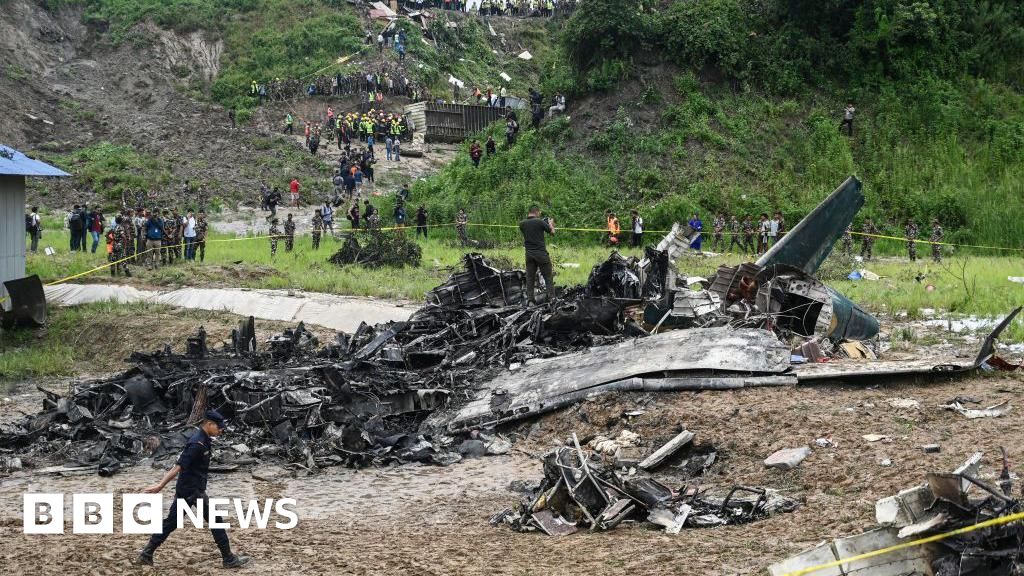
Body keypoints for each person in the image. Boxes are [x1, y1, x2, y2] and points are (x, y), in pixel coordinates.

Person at [135, 410, 251, 568]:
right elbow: (178, 466)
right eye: (219, 427)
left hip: (188, 489)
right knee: (216, 521)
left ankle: (146, 554)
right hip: (193, 491)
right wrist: (160, 485)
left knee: (171, 523)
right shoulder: (197, 443)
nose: (221, 430)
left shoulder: (204, 439)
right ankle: (228, 558)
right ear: (209, 424)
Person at [520, 205, 556, 305]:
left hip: (529, 255)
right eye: (539, 213)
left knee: (530, 278)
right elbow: (552, 232)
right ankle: (552, 299)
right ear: (536, 212)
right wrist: (550, 223)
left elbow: (533, 232)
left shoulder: (522, 224)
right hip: (541, 254)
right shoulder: (540, 222)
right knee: (548, 277)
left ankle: (530, 301)